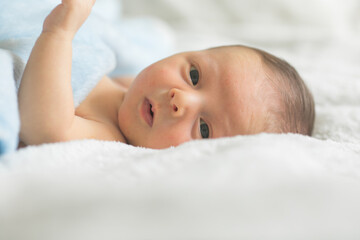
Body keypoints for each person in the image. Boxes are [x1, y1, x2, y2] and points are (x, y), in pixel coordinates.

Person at [18, 0, 315, 149]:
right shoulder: (124, 76)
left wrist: (59, 32)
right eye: (195, 76)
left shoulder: (109, 132)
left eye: (204, 129)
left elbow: (47, 130)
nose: (180, 99)